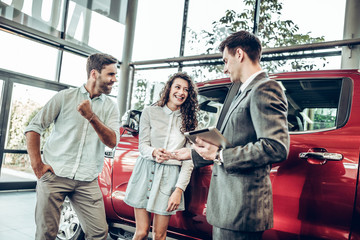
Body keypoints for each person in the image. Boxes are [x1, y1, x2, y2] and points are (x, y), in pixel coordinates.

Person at [173, 30, 290, 239]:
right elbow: (233, 141)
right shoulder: (242, 91)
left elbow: (275, 147)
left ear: (239, 54)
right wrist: (192, 153)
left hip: (241, 208)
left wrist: (219, 156)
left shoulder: (265, 88)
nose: (225, 68)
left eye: (226, 61)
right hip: (230, 206)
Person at [25, 53, 120, 240]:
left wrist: (91, 117)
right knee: (46, 233)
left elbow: (112, 141)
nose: (114, 79)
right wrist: (37, 165)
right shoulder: (65, 97)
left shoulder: (111, 107)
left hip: (87, 180)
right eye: (110, 74)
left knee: (99, 232)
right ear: (94, 74)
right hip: (55, 175)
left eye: (115, 75)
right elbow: (34, 128)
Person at [124, 72, 198, 240]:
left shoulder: (191, 121)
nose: (181, 92)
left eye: (186, 90)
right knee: (141, 232)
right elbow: (142, 145)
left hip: (169, 178)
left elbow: (189, 160)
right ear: (169, 88)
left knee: (159, 234)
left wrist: (178, 190)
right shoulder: (150, 112)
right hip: (145, 171)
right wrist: (153, 152)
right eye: (177, 87)